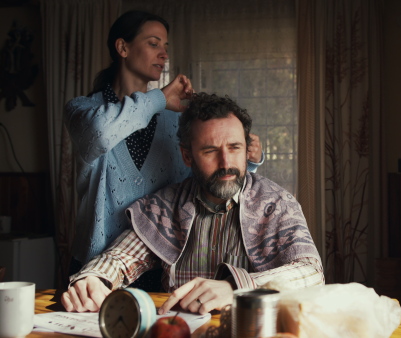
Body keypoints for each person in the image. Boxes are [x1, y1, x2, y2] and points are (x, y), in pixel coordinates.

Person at [61, 92, 324, 314]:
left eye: (234, 148)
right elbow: (119, 258)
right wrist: (94, 278)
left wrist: (237, 287)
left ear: (246, 149)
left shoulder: (277, 204)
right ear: (187, 156)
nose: (226, 163)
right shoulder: (165, 205)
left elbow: (312, 273)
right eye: (210, 151)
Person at [64, 10, 264, 280]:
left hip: (159, 265)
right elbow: (101, 133)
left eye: (166, 46)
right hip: (94, 269)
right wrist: (159, 99)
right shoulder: (83, 109)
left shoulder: (173, 121)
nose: (164, 54)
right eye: (153, 43)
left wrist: (247, 160)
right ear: (123, 47)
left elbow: (202, 183)